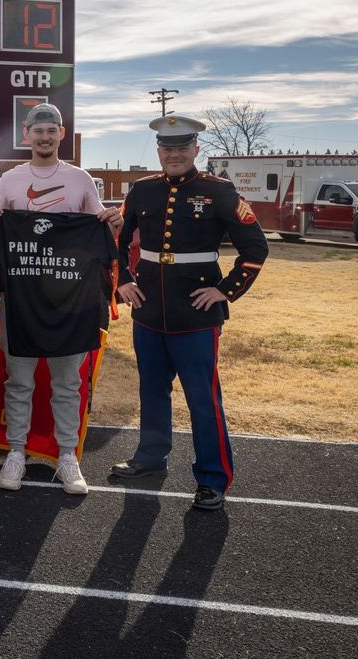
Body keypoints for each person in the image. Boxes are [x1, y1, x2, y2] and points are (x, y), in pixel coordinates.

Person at [111, 114, 269, 511]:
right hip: (148, 310)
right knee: (151, 390)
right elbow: (118, 240)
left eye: (183, 147)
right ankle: (149, 458)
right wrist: (122, 280)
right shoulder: (142, 191)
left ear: (196, 150)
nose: (175, 154)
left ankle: (213, 478)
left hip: (196, 316)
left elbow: (256, 249)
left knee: (203, 398)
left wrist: (224, 290)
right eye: (168, 148)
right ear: (159, 151)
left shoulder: (219, 191)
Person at [0, 103, 123, 495]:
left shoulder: (81, 180)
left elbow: (99, 236)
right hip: (22, 300)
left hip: (69, 301)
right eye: (37, 131)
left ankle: (66, 456)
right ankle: (16, 452)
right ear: (26, 134)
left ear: (62, 134)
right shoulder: (10, 179)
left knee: (67, 384)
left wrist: (115, 222)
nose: (44, 137)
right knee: (19, 381)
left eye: (51, 131)